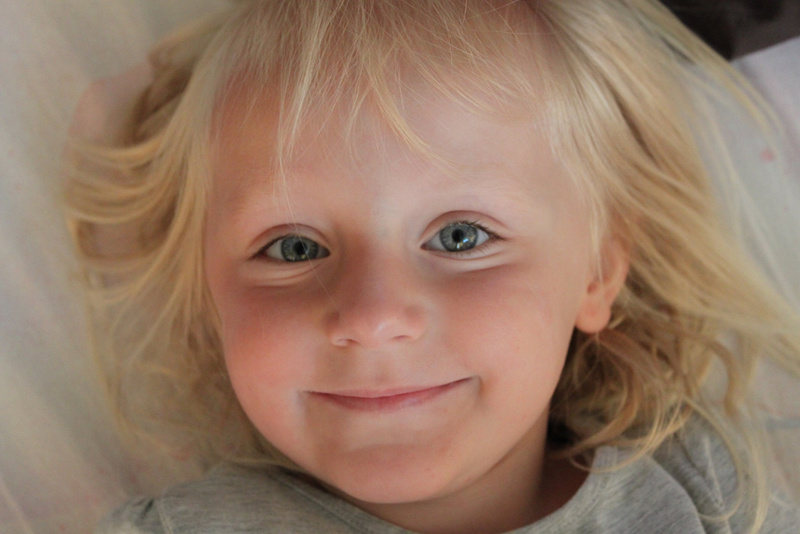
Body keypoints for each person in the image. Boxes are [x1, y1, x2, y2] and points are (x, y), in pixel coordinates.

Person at [66, 0, 800, 532]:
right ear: (209, 292)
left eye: (460, 237)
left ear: (597, 273)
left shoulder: (709, 492)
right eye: (294, 248)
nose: (373, 316)